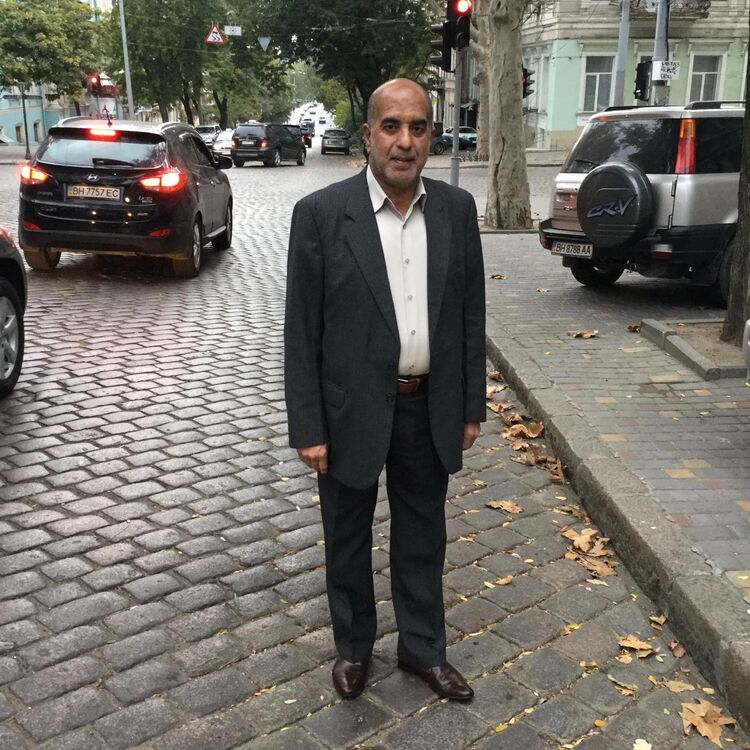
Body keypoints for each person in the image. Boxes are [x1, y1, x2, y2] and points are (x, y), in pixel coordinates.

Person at [284, 78, 485, 701]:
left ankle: (423, 649)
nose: (405, 141)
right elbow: (301, 331)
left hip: (429, 405)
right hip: (349, 410)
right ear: (368, 134)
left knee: (423, 534)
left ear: (431, 136)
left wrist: (469, 405)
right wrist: (308, 426)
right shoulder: (321, 215)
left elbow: (469, 316)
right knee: (347, 535)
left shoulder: (456, 210)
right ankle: (353, 649)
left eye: (418, 127)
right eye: (391, 127)